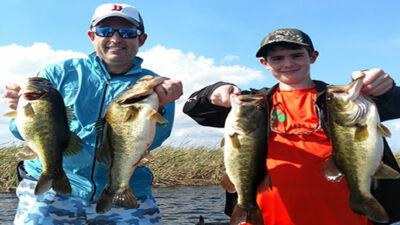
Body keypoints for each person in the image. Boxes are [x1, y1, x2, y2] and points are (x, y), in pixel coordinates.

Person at [183, 28, 400, 225]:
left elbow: (395, 104)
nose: (288, 64)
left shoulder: (345, 100)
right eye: (277, 58)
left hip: (344, 216)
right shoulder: (252, 104)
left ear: (313, 57)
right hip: (266, 217)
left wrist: (385, 88)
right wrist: (215, 90)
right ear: (264, 64)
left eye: (297, 55)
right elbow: (195, 110)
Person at [2, 3, 182, 225]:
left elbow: (153, 142)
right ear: (91, 36)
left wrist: (161, 107)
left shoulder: (155, 86)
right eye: (105, 31)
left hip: (130, 188)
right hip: (49, 189)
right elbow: (22, 132)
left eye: (127, 32)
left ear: (141, 39)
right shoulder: (56, 74)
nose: (115, 38)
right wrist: (18, 108)